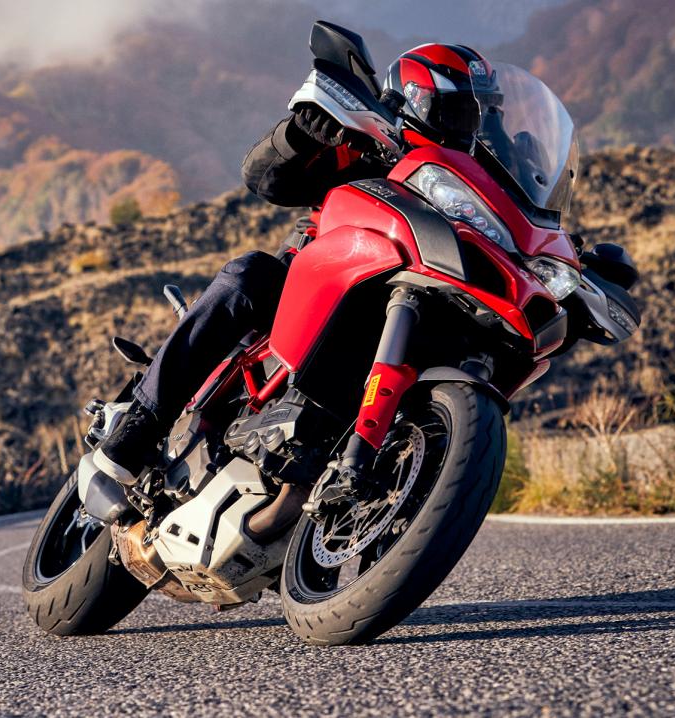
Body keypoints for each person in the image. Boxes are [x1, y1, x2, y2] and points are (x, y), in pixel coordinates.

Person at [94, 42, 495, 486]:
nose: (470, 124)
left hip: (405, 303)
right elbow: (265, 178)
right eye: (458, 111)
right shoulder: (367, 145)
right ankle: (144, 419)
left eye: (478, 113)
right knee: (248, 277)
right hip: (314, 283)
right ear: (417, 100)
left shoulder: (473, 185)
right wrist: (302, 135)